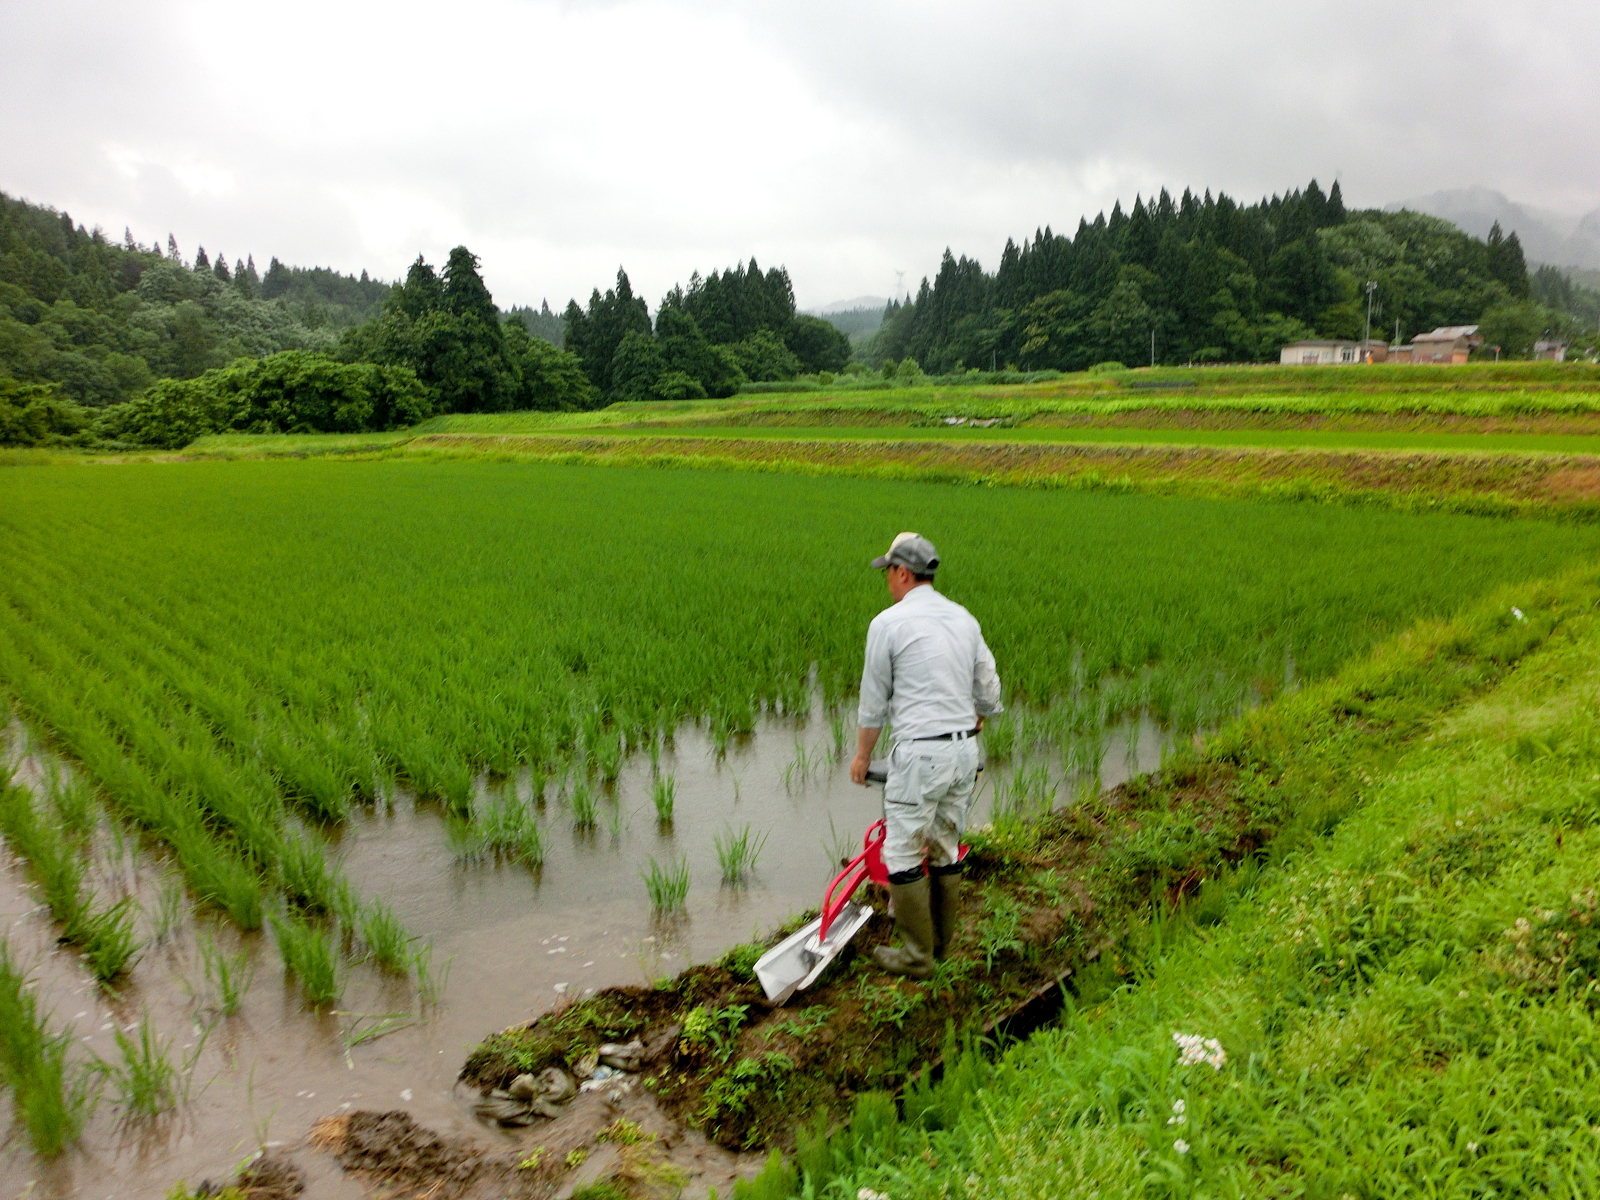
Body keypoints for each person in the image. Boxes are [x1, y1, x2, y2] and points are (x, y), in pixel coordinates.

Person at [850, 531, 1003, 979]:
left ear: (902, 573)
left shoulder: (888, 624)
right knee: (944, 846)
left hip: (919, 756)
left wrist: (862, 756)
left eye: (889, 574)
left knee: (901, 852)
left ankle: (917, 957)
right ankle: (940, 947)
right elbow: (990, 691)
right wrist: (976, 718)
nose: (888, 583)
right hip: (963, 755)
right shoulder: (964, 619)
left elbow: (873, 702)